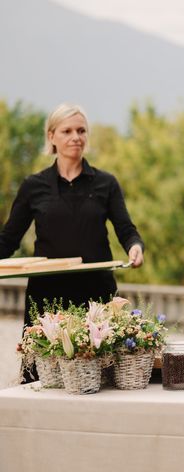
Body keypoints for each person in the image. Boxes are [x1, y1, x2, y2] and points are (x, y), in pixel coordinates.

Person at [0, 103, 144, 364]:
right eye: (67, 131)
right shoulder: (34, 186)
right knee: (42, 374)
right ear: (51, 136)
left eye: (81, 130)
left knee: (98, 371)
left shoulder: (106, 183)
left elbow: (126, 230)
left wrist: (135, 246)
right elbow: (8, 240)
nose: (75, 137)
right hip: (46, 297)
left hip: (95, 296)